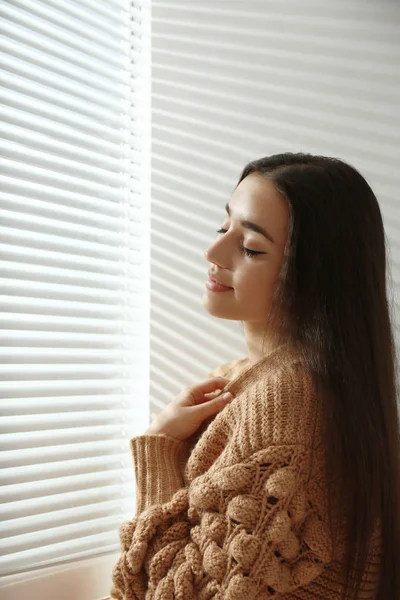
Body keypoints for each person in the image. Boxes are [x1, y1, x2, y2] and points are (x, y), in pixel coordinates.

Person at [110, 152, 400, 599]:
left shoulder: (290, 407)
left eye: (250, 248)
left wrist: (159, 447)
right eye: (224, 227)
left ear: (314, 278)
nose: (213, 252)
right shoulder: (250, 380)